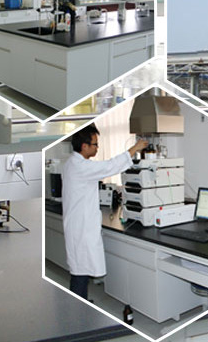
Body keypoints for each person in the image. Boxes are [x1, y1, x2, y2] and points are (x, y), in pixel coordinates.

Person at [60, 126, 148, 300]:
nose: (97, 148)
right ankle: (77, 307)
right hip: (81, 228)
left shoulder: (72, 163)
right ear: (84, 146)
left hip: (78, 225)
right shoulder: (81, 166)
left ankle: (80, 302)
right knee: (80, 273)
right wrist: (135, 148)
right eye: (95, 144)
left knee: (80, 270)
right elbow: (110, 166)